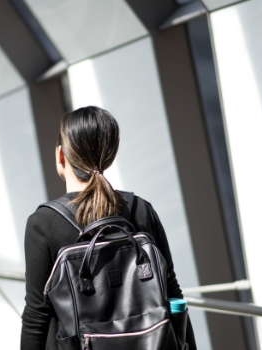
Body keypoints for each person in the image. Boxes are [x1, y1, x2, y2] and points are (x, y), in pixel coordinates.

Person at [21, 106, 197, 350]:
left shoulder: (44, 224)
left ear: (61, 156)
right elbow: (173, 294)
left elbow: (36, 317)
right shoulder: (140, 210)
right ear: (109, 156)